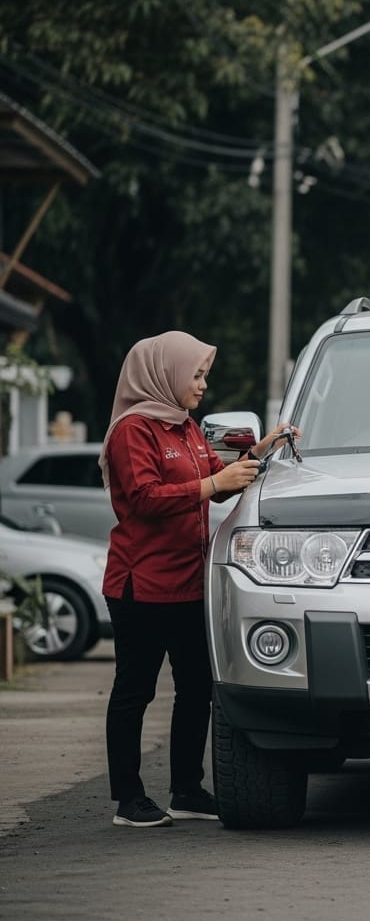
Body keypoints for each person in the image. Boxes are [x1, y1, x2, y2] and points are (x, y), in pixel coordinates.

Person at [99, 331, 299, 828]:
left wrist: (263, 450)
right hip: (141, 586)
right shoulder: (133, 430)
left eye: (204, 375)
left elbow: (221, 483)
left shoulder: (185, 426)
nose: (203, 384)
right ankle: (128, 800)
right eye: (196, 375)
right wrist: (214, 482)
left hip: (189, 584)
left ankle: (186, 791)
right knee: (135, 691)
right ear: (164, 374)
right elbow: (144, 498)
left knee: (195, 689)